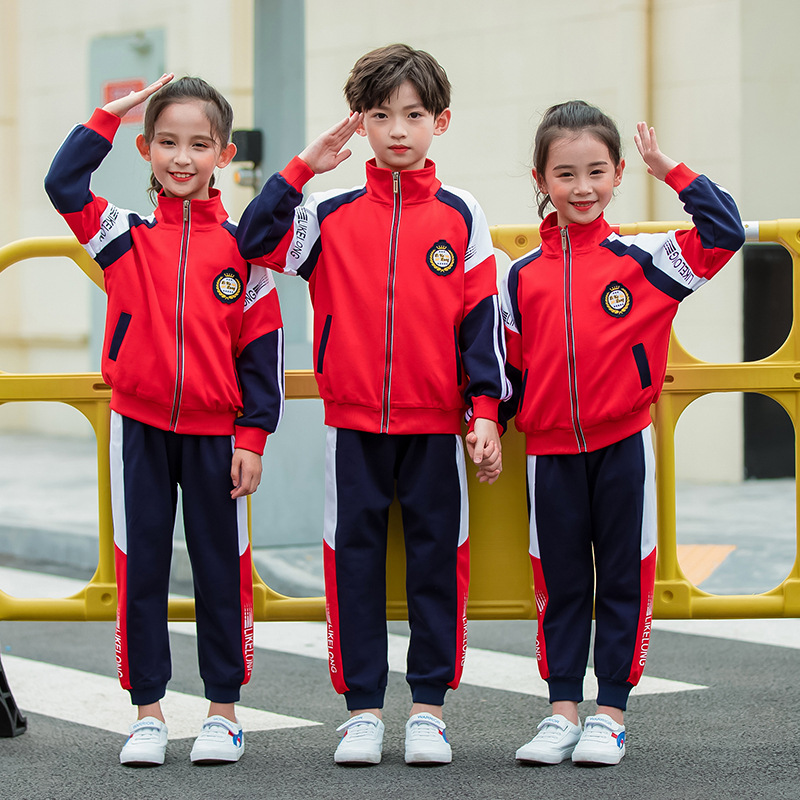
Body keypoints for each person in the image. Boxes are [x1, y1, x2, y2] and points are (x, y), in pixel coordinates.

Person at [237, 44, 508, 766]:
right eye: (380, 116)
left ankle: (427, 710)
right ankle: (361, 711)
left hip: (433, 428)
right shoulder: (327, 213)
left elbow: (481, 319)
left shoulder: (462, 213)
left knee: (435, 563)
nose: (397, 130)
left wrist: (485, 410)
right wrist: (303, 167)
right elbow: (252, 240)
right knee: (350, 562)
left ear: (439, 122)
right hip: (351, 426)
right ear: (360, 123)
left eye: (413, 115)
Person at [45, 74, 285, 767]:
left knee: (222, 572)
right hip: (139, 429)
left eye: (199, 145)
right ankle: (147, 712)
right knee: (140, 567)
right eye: (169, 143)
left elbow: (260, 353)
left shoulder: (245, 250)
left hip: (218, 439)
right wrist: (106, 117)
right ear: (147, 148)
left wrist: (253, 437)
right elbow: (64, 184)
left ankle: (223, 712)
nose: (183, 158)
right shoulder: (121, 235)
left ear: (224, 153)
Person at [501, 100, 744, 766]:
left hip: (622, 445)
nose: (582, 188)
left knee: (622, 580)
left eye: (597, 172)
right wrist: (488, 423)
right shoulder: (521, 277)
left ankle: (610, 713)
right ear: (540, 180)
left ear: (615, 176)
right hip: (548, 453)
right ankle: (560, 712)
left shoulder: (647, 262)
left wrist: (670, 169)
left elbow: (724, 233)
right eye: (566, 174)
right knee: (560, 583)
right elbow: (506, 371)